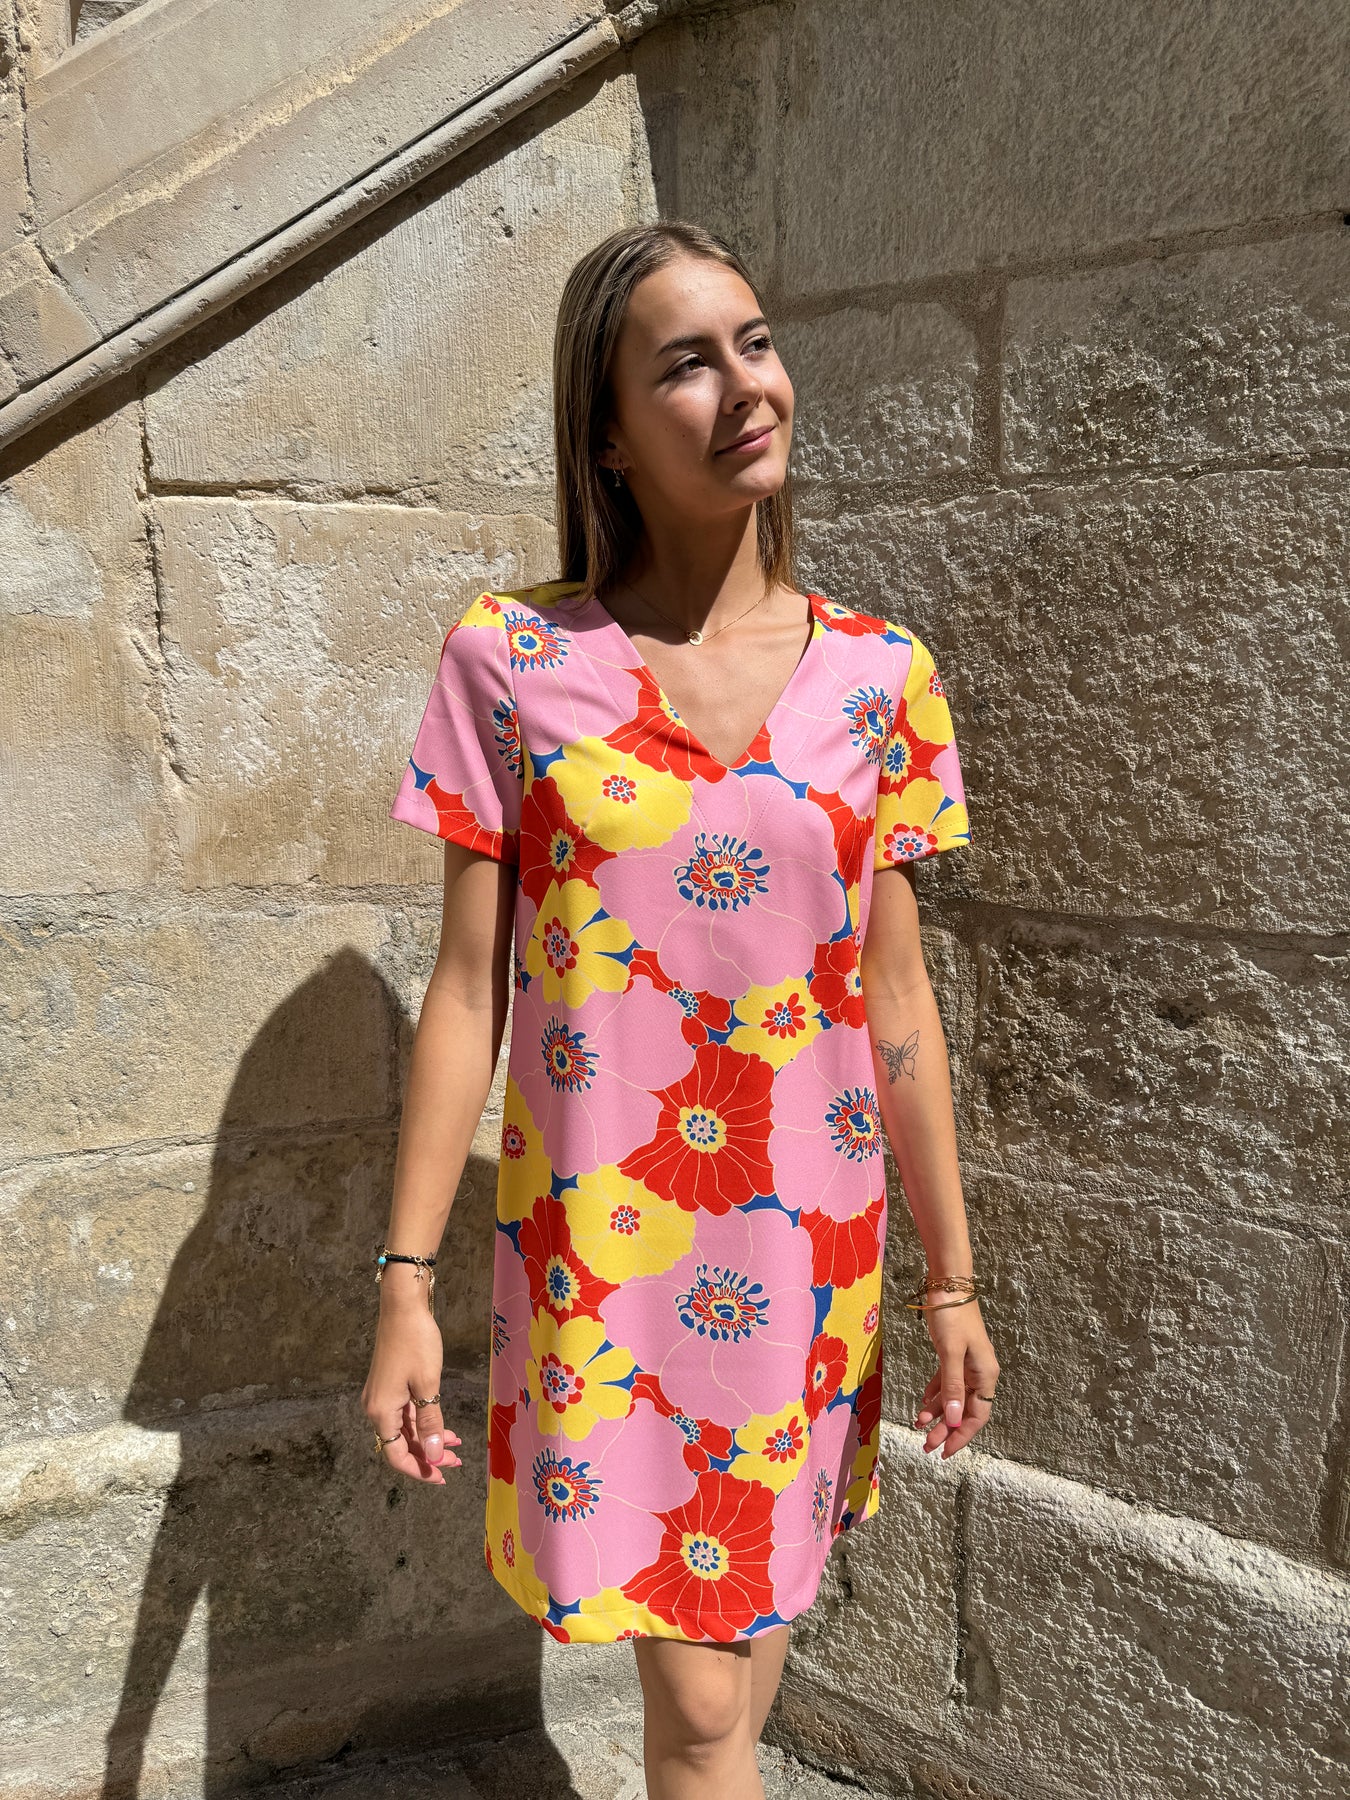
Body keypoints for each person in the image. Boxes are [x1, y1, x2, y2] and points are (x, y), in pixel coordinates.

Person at [363, 218, 999, 1800]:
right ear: (608, 436)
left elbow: (893, 999)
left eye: (755, 344)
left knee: (739, 1661)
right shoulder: (511, 661)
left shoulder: (880, 677)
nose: (744, 386)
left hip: (804, 1255)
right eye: (686, 365)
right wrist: (404, 1282)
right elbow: (467, 989)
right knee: (707, 1715)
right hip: (609, 1264)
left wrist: (948, 1280)